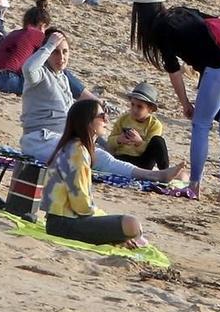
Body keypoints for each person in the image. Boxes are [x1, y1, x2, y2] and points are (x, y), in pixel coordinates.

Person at [131, 0, 220, 203]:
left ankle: (194, 186)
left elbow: (174, 71)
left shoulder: (161, 29)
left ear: (141, 11)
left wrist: (185, 103)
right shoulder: (183, 11)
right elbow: (215, 24)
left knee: (201, 125)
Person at [42, 99, 149, 248]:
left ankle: (119, 238)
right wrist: (104, 221)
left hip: (62, 221)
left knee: (126, 226)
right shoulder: (77, 151)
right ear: (88, 122)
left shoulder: (75, 146)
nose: (106, 119)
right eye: (101, 116)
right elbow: (81, 205)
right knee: (132, 224)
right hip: (64, 224)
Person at [0, 1, 51, 93]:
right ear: (43, 26)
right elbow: (49, 58)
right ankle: (76, 92)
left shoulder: (13, 33)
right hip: (7, 79)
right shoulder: (37, 35)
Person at [108, 81, 170, 169]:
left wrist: (139, 142)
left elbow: (152, 149)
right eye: (132, 105)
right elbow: (109, 142)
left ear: (150, 109)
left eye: (140, 107)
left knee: (158, 141)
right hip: (121, 158)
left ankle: (164, 171)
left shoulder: (154, 124)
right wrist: (119, 139)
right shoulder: (123, 119)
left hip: (142, 161)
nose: (134, 109)